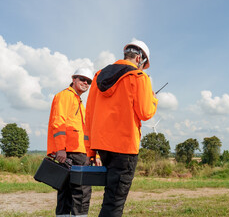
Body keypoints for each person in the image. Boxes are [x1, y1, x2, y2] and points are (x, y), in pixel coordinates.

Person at [85, 38, 158, 216]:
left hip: (102, 145)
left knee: (110, 199)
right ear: (140, 59)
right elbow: (145, 112)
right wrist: (153, 99)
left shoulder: (98, 76)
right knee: (115, 202)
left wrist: (90, 152)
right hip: (124, 147)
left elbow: (89, 115)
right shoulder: (139, 77)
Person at [47, 67, 94, 217]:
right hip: (72, 151)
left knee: (65, 191)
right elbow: (58, 123)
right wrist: (60, 148)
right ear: (74, 79)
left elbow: (86, 133)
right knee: (81, 191)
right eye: (82, 79)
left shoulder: (79, 103)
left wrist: (93, 154)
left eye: (89, 81)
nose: (85, 83)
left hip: (76, 151)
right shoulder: (65, 96)